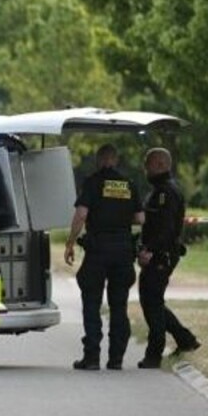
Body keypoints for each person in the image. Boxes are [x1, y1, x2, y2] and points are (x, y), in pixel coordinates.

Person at [65, 144, 144, 371]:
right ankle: (116, 358)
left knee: (92, 302)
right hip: (122, 251)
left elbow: (81, 214)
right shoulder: (129, 184)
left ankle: (91, 358)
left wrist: (71, 242)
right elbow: (140, 218)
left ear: (99, 160)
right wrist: (118, 219)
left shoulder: (93, 182)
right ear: (115, 160)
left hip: (98, 250)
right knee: (119, 306)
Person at [136, 147, 200, 369]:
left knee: (152, 302)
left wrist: (149, 250)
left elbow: (165, 228)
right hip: (158, 253)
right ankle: (186, 340)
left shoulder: (166, 192)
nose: (145, 167)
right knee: (153, 301)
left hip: (161, 255)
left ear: (162, 164)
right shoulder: (158, 190)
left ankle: (154, 355)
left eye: (149, 163)